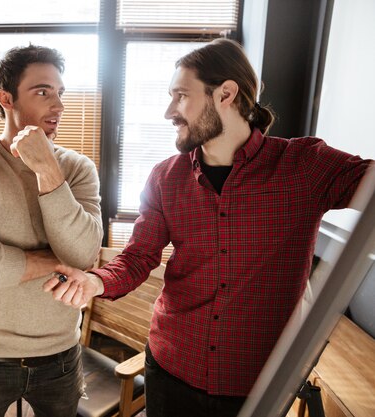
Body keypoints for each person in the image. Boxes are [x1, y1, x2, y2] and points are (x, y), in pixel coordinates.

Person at [43, 38, 373, 417]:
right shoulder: (165, 178)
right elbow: (138, 257)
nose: (169, 111)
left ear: (226, 94)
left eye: (181, 95)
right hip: (170, 368)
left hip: (256, 385)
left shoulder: (305, 168)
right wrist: (95, 282)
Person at [0, 45, 103, 417]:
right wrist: (55, 259)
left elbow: (83, 255)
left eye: (60, 93)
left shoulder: (76, 169)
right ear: (6, 98)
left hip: (60, 357)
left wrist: (47, 171)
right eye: (43, 92)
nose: (58, 105)